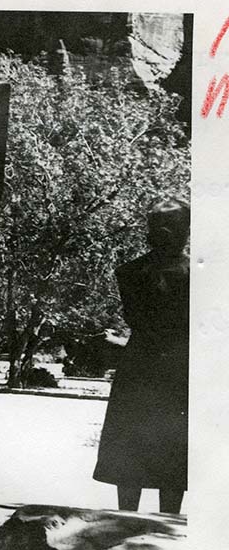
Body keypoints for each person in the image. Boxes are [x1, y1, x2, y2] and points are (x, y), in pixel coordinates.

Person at [93, 198, 190, 514]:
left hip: (146, 366)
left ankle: (144, 521)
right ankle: (152, 520)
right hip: (175, 367)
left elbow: (144, 322)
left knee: (147, 440)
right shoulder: (198, 274)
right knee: (161, 443)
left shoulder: (131, 272)